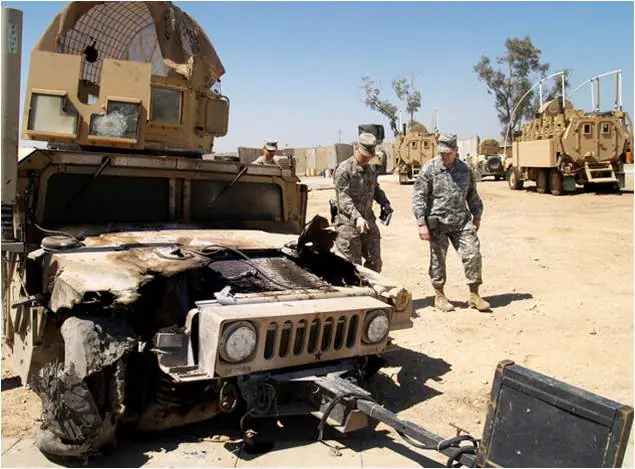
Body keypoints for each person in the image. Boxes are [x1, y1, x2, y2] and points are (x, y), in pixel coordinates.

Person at [412, 133, 490, 312]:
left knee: (473, 254)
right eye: (442, 152)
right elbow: (419, 197)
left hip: (461, 222)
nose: (444, 155)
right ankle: (439, 295)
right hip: (437, 224)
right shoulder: (429, 169)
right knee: (438, 260)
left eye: (448, 152)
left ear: (456, 150)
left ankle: (474, 295)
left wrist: (477, 216)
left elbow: (473, 195)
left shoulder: (465, 170)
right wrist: (421, 223)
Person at [333, 132, 391, 273]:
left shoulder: (371, 170)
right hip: (348, 224)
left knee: (375, 262)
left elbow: (375, 189)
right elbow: (343, 197)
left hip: (368, 222)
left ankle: (370, 286)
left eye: (369, 156)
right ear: (357, 148)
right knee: (351, 267)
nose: (366, 159)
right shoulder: (344, 169)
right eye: (364, 155)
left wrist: (385, 203)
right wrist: (357, 217)